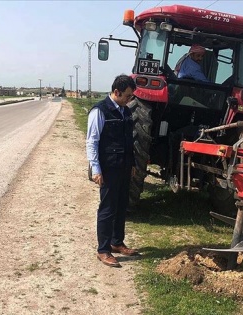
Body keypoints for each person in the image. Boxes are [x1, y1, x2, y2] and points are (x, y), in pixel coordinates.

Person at [86, 74, 140, 268]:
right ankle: (103, 250)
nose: (129, 99)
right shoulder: (100, 111)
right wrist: (96, 169)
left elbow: (128, 141)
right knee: (108, 208)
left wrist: (132, 164)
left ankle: (117, 242)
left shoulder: (125, 111)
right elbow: (92, 142)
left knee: (121, 205)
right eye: (127, 95)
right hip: (108, 168)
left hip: (124, 166)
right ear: (116, 92)